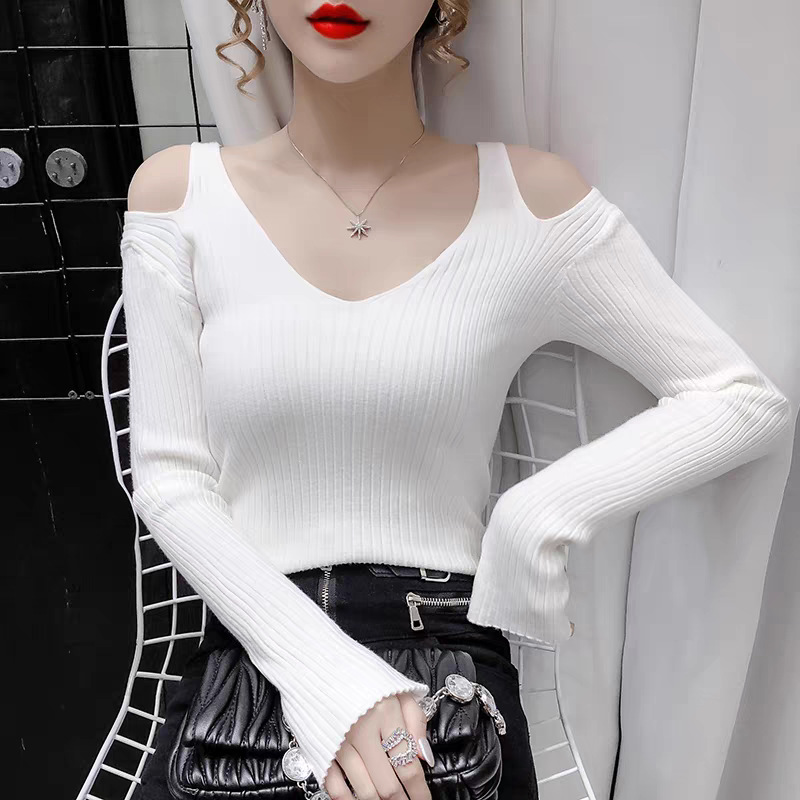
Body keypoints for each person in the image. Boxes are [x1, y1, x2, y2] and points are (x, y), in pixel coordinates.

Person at [120, 1, 792, 798]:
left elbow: (737, 397)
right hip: (252, 659)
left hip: (443, 669)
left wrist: (536, 515)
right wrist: (329, 678)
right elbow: (170, 479)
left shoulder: (527, 201)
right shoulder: (181, 195)